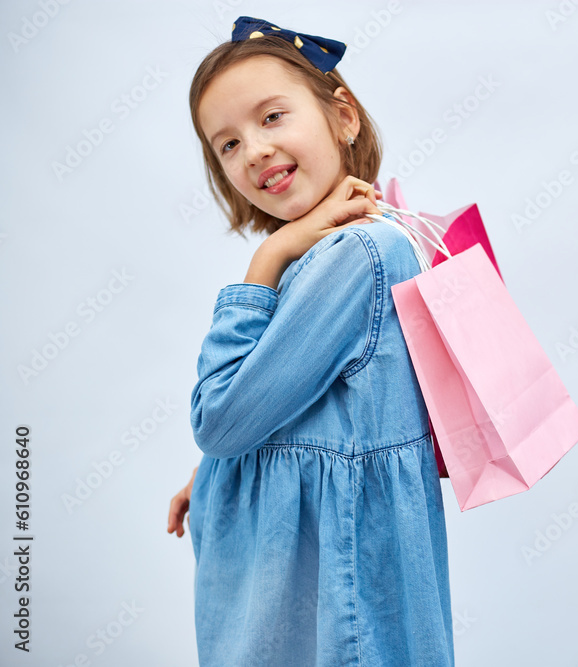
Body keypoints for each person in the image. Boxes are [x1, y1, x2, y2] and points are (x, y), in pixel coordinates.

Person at [164, 16, 454, 666]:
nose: (255, 151)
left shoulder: (352, 254)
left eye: (272, 117)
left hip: (326, 600)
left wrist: (267, 256)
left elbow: (218, 417)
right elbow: (308, 411)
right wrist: (217, 472)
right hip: (319, 586)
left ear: (342, 115)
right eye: (228, 144)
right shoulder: (339, 251)